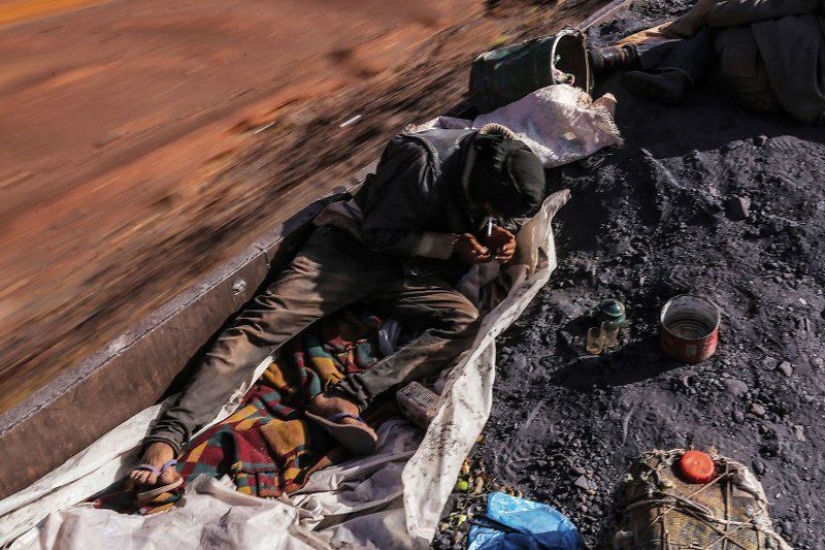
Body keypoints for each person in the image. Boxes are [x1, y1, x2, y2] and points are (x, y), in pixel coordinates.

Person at [128, 124, 548, 496]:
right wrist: (451, 247)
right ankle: (167, 439)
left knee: (465, 321)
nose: (496, 218)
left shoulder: (498, 172)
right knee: (257, 330)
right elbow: (378, 234)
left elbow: (501, 217)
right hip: (345, 254)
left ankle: (346, 397)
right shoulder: (421, 158)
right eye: (495, 211)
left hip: (404, 272)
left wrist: (503, 237)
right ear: (479, 183)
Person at [591, 0, 825, 124]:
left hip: (767, 86)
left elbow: (727, 12)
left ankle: (653, 66)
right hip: (803, 104)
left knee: (724, 18)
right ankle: (644, 62)